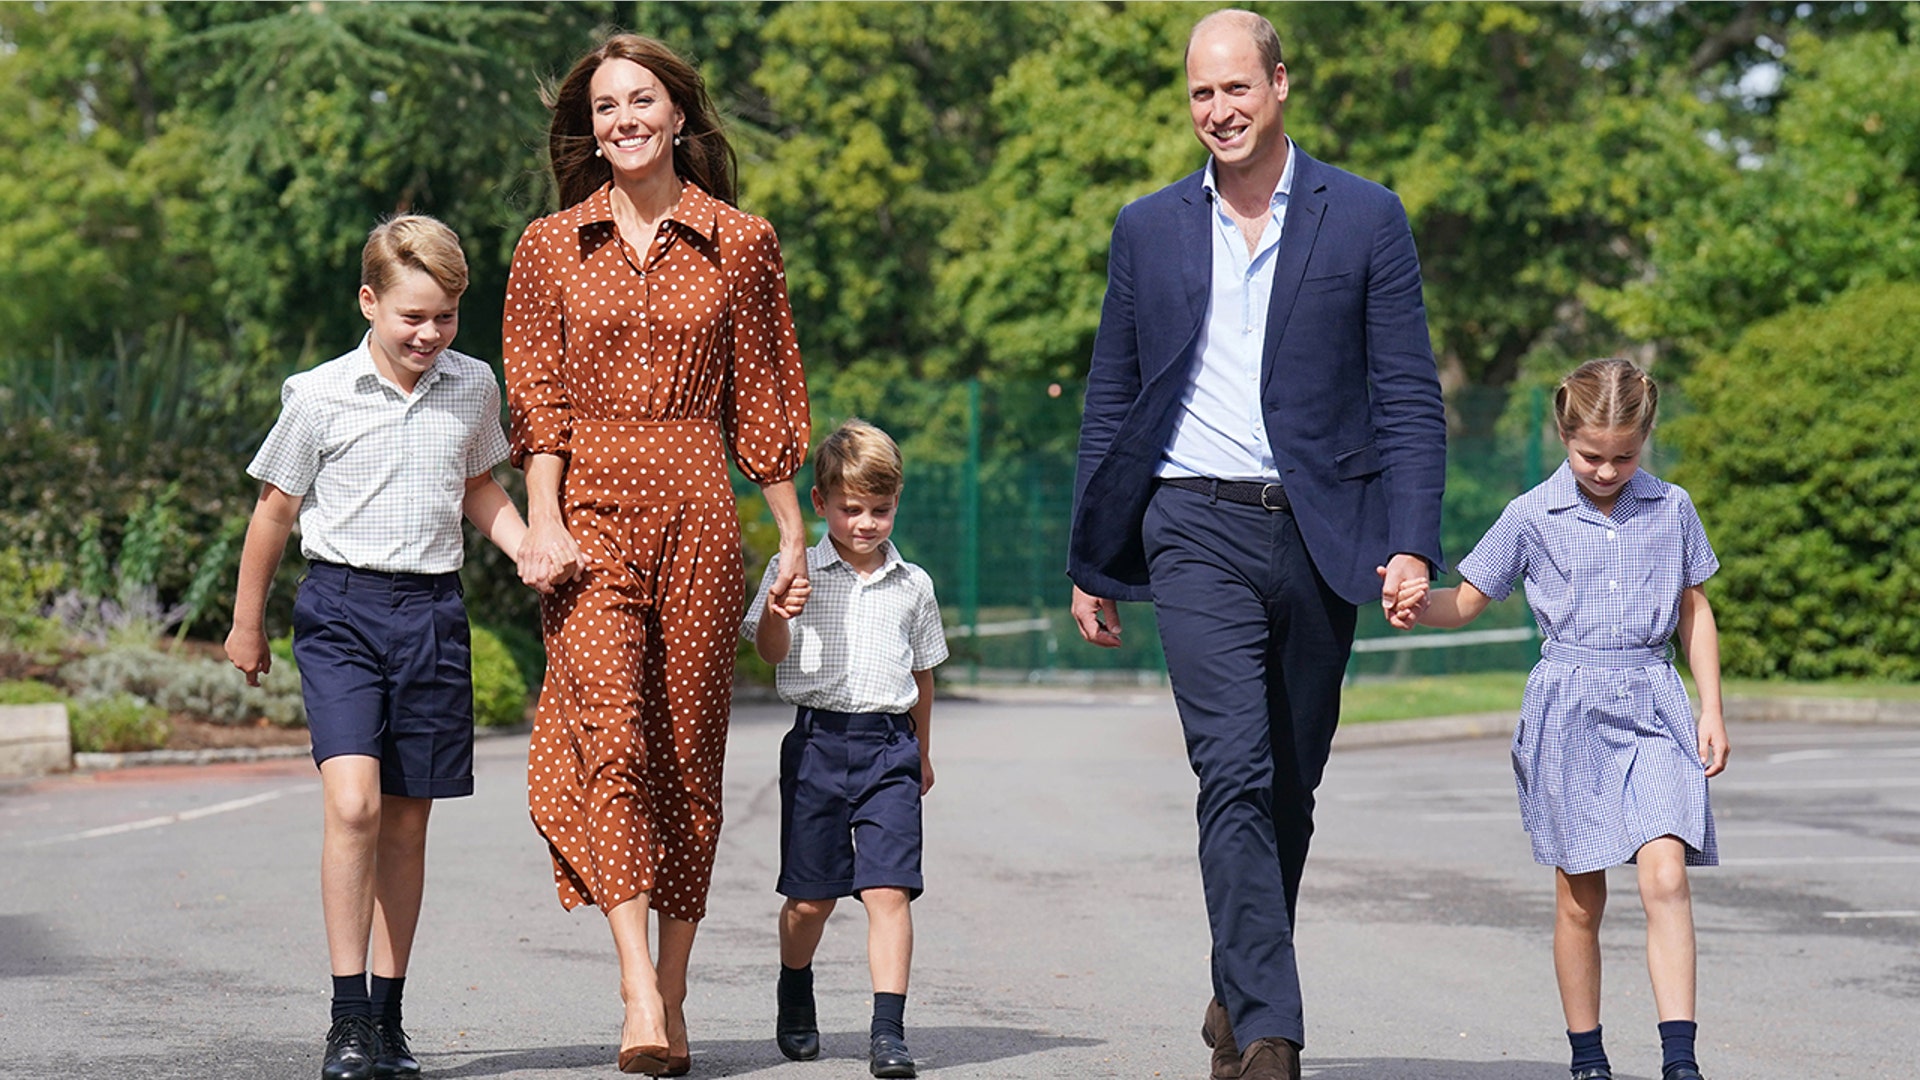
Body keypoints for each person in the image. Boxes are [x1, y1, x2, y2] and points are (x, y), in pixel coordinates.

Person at [1066, 9, 1447, 1079]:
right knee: (1229, 768)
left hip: (1326, 537)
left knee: (1288, 783)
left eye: (1236, 89)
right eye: (1200, 95)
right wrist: (1091, 555)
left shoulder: (1365, 218)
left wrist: (1412, 542)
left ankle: (1239, 989)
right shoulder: (1148, 230)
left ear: (1279, 85)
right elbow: (1112, 398)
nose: (1218, 112)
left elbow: (1409, 396)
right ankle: (1273, 1032)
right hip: (1191, 524)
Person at [503, 33, 812, 1077]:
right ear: (588, 129)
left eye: (642, 100)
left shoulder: (743, 241)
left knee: (688, 756)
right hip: (588, 517)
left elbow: (763, 396)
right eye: (604, 107)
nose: (623, 119)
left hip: (698, 512)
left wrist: (793, 533)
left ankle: (674, 988)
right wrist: (541, 520)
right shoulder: (549, 245)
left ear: (680, 114)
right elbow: (536, 405)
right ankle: (637, 982)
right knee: (615, 740)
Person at [225, 214, 533, 1080]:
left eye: (445, 317)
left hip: (432, 612)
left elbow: (479, 484)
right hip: (342, 612)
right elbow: (275, 513)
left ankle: (390, 1022)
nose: (429, 334)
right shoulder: (318, 394)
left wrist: (527, 547)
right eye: (411, 317)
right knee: (355, 803)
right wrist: (248, 623)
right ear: (369, 302)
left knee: (405, 821)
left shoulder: (474, 387)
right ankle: (347, 1020)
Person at [1387, 358, 1727, 1080]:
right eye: (1590, 455)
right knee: (1581, 896)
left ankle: (1680, 1060)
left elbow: (1696, 609)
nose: (1607, 470)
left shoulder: (1672, 508)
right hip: (1567, 710)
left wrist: (1713, 709)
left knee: (1665, 875)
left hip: (1653, 700)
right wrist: (1418, 604)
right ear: (1564, 436)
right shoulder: (1530, 515)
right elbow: (1468, 602)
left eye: (1625, 456)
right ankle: (1588, 1056)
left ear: (1647, 440)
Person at [740, 419, 948, 1080]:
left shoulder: (913, 585)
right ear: (821, 504)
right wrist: (779, 611)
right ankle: (795, 985)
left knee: (889, 891)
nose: (865, 523)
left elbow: (923, 675)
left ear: (896, 503)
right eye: (850, 509)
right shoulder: (792, 569)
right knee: (811, 900)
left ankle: (887, 1031)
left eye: (880, 510)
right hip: (817, 746)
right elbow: (768, 654)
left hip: (888, 748)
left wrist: (921, 750)